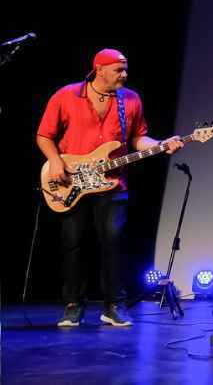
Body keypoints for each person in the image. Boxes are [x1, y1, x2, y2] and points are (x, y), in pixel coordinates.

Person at [37, 49, 184, 328]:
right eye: (119, 70)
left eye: (126, 69)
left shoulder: (130, 99)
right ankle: (73, 305)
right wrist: (55, 160)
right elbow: (44, 135)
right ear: (99, 69)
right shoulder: (66, 95)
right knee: (73, 243)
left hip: (114, 182)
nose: (125, 74)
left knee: (114, 242)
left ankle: (114, 305)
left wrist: (161, 144)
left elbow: (138, 138)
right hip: (72, 181)